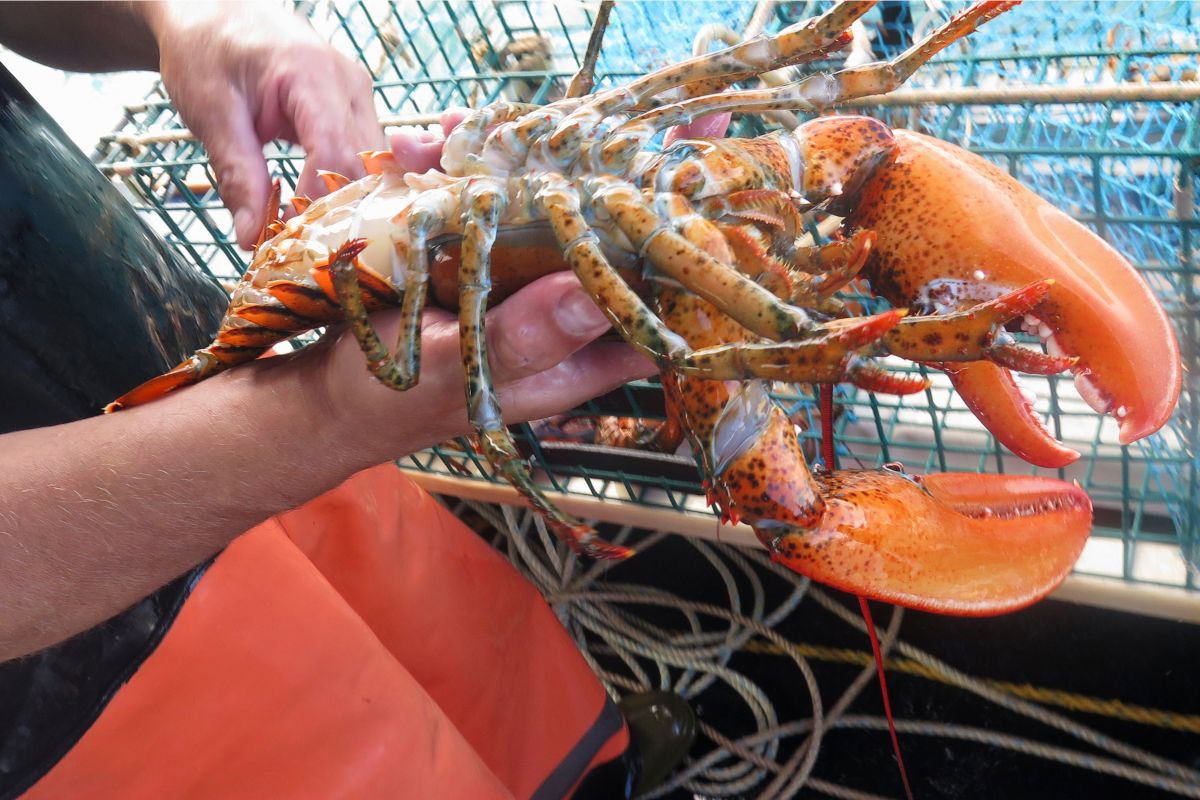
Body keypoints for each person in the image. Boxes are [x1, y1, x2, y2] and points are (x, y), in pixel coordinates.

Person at [0, 3, 688, 798]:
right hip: (71, 667)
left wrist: (180, 16)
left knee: (466, 657)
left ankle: (600, 773)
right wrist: (312, 424)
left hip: (220, 367)